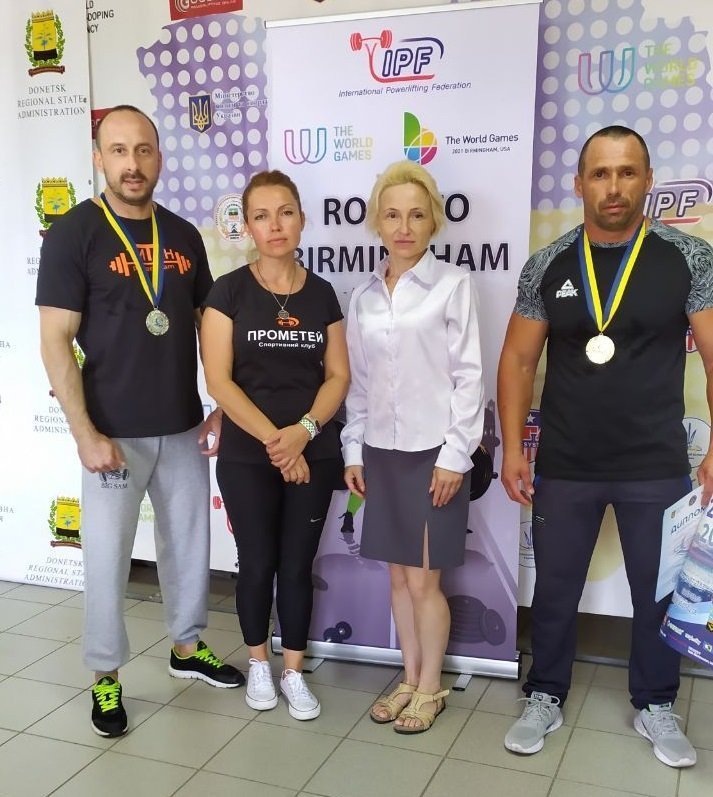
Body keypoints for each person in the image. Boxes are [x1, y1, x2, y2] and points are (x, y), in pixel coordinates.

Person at [498, 125, 713, 768]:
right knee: (556, 588)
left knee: (658, 591)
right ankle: (545, 694)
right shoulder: (549, 263)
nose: (613, 187)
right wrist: (513, 448)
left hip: (656, 463)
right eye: (600, 173)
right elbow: (517, 359)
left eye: (626, 172)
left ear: (648, 180)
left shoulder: (688, 257)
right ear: (579, 184)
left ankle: (656, 703)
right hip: (567, 462)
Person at [36, 104, 244, 739]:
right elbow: (55, 340)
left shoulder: (181, 236)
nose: (133, 164)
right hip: (111, 434)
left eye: (144, 150)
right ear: (99, 158)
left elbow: (210, 329)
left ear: (159, 157)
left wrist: (221, 405)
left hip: (181, 424)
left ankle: (187, 647)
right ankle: (105, 674)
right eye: (119, 151)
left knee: (188, 547)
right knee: (106, 559)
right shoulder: (73, 234)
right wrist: (85, 434)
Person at [200, 170, 350, 720]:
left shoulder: (322, 293)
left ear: (302, 219)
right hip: (248, 456)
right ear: (248, 227)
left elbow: (338, 376)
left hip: (313, 451)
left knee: (296, 564)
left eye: (285, 212)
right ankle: (259, 663)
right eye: (261, 216)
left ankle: (293, 672)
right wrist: (277, 443)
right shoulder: (228, 292)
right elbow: (219, 381)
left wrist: (303, 433)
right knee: (257, 562)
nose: (275, 225)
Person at [341, 161, 484, 733]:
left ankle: (430, 688)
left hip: (434, 454)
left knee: (426, 581)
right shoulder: (363, 297)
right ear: (377, 222)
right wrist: (354, 450)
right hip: (381, 452)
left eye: (417, 215)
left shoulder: (452, 285)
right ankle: (408, 677)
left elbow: (469, 378)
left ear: (433, 223)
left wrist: (455, 456)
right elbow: (359, 384)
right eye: (393, 215)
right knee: (398, 578)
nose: (404, 227)